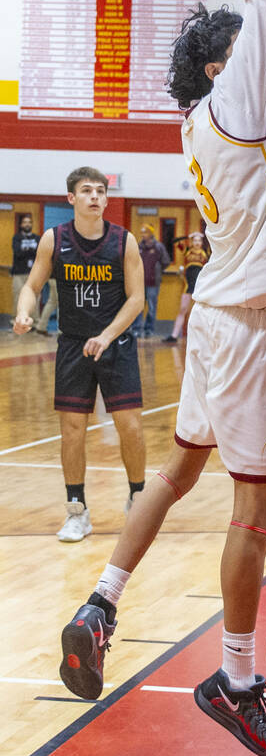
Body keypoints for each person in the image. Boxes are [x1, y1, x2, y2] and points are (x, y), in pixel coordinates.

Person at [57, 0, 266, 756]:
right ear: (218, 68)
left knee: (179, 469)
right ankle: (238, 676)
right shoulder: (236, 103)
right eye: (239, 49)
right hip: (244, 324)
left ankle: (100, 604)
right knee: (256, 507)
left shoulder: (202, 124)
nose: (258, 50)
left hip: (216, 316)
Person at [13, 169, 146, 540]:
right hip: (73, 345)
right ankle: (77, 510)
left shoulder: (124, 242)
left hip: (115, 344)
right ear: (71, 198)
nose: (94, 196)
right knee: (72, 431)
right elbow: (33, 285)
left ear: (106, 198)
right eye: (86, 191)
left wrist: (106, 335)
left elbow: (136, 299)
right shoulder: (54, 240)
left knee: (131, 427)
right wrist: (25, 312)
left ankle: (138, 498)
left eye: (100, 191)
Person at [162, 231, 208, 344]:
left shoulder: (206, 251)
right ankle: (174, 335)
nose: (197, 242)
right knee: (183, 309)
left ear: (202, 242)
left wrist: (205, 235)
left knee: (202, 311)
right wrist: (188, 236)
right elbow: (174, 241)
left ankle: (204, 337)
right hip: (188, 285)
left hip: (201, 286)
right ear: (192, 242)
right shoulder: (187, 251)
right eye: (195, 240)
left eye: (199, 240)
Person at [134, 224, 171, 337]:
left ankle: (148, 330)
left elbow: (166, 261)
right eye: (142, 232)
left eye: (145, 232)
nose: (143, 235)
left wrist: (158, 270)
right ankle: (136, 329)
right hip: (139, 282)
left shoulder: (158, 247)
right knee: (138, 307)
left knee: (151, 307)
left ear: (150, 233)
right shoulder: (139, 246)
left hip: (153, 283)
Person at [11, 213, 40, 328]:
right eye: (25, 222)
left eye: (29, 222)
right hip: (18, 272)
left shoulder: (37, 238)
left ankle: (35, 322)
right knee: (18, 296)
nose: (27, 224)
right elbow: (17, 253)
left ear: (32, 224)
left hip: (33, 273)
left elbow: (39, 253)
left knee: (35, 297)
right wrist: (31, 250)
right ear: (21, 224)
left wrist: (26, 250)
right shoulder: (16, 237)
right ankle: (16, 321)